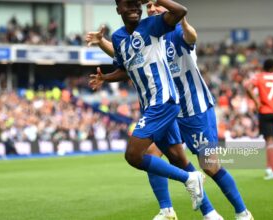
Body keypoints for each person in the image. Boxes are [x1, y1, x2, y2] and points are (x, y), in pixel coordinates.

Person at [87, 2, 254, 220]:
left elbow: (191, 36)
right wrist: (102, 46)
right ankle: (181, 211)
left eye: (157, 4)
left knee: (210, 167)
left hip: (192, 108)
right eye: (149, 5)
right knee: (155, 154)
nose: (153, 8)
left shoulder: (173, 31)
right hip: (166, 108)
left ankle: (242, 212)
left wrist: (182, 21)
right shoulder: (142, 32)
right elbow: (127, 56)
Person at [88, 0, 206, 216]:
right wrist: (105, 77)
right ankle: (205, 212)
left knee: (133, 155)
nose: (134, 7)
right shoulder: (118, 37)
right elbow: (126, 70)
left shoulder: (152, 25)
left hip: (163, 101)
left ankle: (189, 178)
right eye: (128, 4)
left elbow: (180, 11)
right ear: (118, 10)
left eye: (137, 3)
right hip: (150, 105)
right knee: (177, 158)